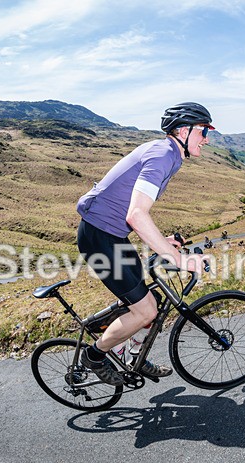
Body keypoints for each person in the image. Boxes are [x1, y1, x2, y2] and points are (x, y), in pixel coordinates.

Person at [75, 103, 211, 384]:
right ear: (184, 131)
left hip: (111, 235)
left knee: (154, 301)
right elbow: (136, 214)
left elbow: (132, 209)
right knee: (145, 309)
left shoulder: (170, 155)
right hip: (99, 238)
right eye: (203, 131)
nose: (207, 139)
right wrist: (180, 259)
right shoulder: (163, 155)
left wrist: (165, 242)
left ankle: (131, 355)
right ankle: (95, 355)